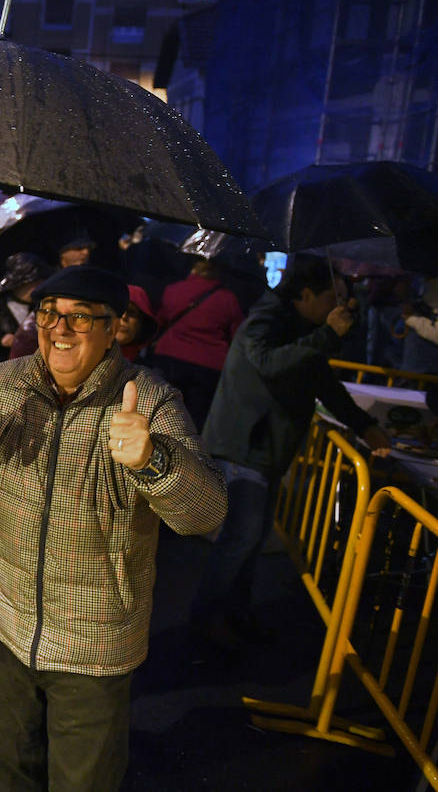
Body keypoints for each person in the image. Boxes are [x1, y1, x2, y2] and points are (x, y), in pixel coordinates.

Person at [0, 264, 226, 791]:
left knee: (83, 782)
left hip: (94, 644)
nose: (59, 329)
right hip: (6, 624)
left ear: (114, 327)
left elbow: (203, 514)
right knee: (9, 772)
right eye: (49, 314)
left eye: (79, 317)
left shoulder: (149, 400)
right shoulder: (7, 382)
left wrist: (152, 461)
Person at [191, 255, 390, 651]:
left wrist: (366, 427)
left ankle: (234, 616)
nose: (341, 308)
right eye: (333, 298)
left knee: (252, 538)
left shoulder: (303, 327)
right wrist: (328, 336)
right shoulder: (268, 319)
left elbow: (324, 384)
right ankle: (207, 622)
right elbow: (268, 362)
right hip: (244, 444)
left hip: (267, 447)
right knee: (240, 539)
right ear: (305, 295)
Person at [146, 258, 244, 429]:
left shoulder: (173, 290)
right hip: (209, 365)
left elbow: (160, 320)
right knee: (196, 419)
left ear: (192, 268)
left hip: (170, 357)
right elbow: (236, 334)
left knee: (165, 410)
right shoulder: (228, 299)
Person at [116, 283, 159, 360]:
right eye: (119, 310)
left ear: (141, 324)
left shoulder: (146, 371)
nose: (123, 316)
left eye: (131, 312)